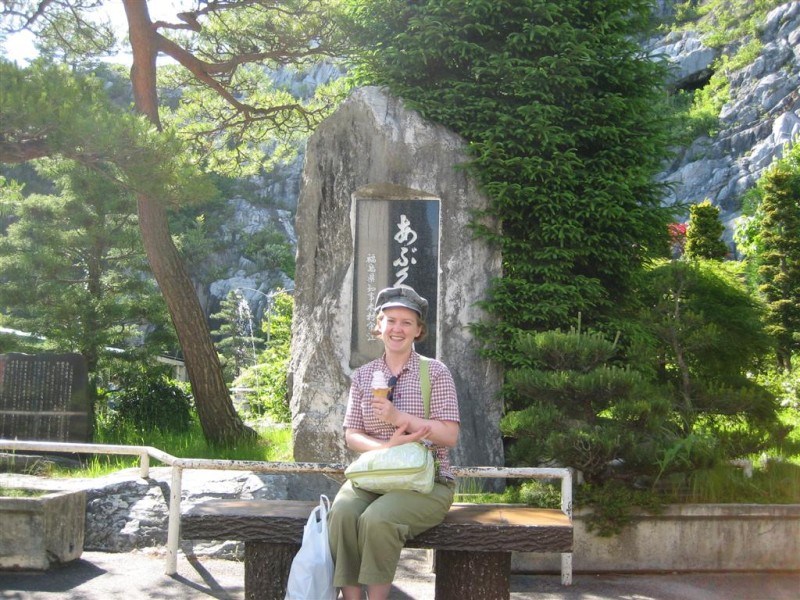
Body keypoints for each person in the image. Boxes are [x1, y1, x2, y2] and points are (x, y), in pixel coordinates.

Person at [328, 285, 460, 600]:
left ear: (418, 331)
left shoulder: (435, 373)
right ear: (379, 326)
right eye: (390, 320)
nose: (397, 328)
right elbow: (352, 435)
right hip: (375, 476)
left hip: (426, 481)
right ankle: (351, 598)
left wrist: (399, 416)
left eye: (406, 322)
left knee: (378, 519)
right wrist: (386, 448)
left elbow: (449, 435)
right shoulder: (363, 376)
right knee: (343, 514)